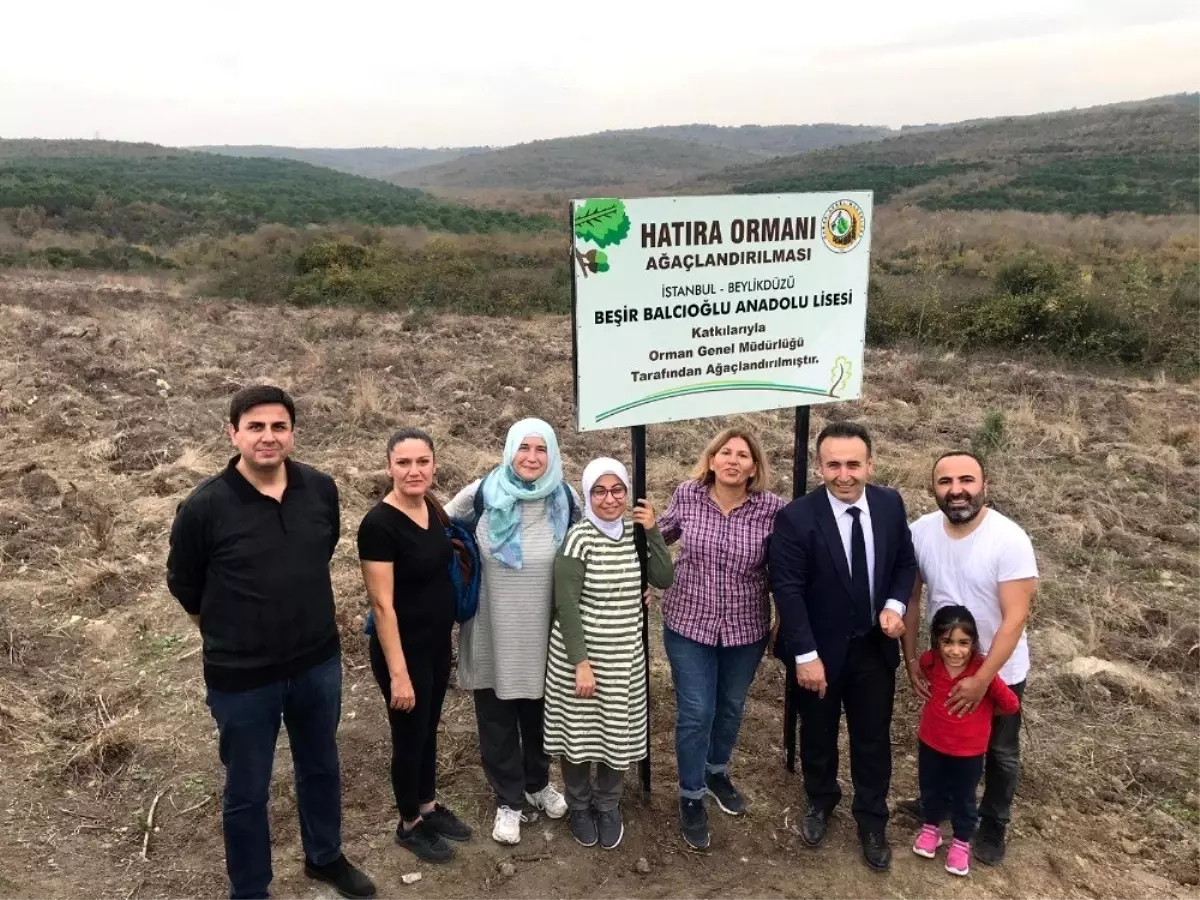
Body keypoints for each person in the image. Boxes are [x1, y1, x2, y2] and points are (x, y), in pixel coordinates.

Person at [166, 385, 375, 900]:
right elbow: (184, 584)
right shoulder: (204, 507)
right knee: (247, 789)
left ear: (293, 433)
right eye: (255, 426)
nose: (267, 437)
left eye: (278, 426)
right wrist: (227, 630)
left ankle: (325, 856)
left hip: (316, 662)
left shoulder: (320, 489)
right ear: (232, 432)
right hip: (242, 679)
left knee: (321, 764)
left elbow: (319, 551)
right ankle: (251, 888)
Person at [768, 420, 917, 871]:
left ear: (870, 464)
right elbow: (787, 589)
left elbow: (905, 562)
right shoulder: (796, 517)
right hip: (819, 653)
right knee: (817, 733)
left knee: (872, 739)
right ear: (819, 467)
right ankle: (820, 799)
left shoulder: (890, 505)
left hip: (874, 649)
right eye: (834, 465)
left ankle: (872, 819)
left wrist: (893, 605)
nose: (844, 474)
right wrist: (805, 656)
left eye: (853, 464)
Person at [444, 418, 580, 844]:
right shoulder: (481, 493)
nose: (532, 458)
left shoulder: (567, 498)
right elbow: (438, 528)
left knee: (541, 711)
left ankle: (537, 784)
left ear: (553, 454)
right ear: (509, 451)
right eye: (524, 448)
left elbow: (592, 549)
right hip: (491, 626)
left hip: (545, 628)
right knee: (497, 715)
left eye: (541, 449)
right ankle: (508, 799)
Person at [902, 450, 1038, 866]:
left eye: (966, 480)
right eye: (945, 482)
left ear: (984, 486)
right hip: (945, 667)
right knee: (942, 741)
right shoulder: (921, 531)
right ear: (934, 488)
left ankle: (993, 820)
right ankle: (937, 805)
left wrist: (983, 680)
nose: (956, 490)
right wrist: (910, 660)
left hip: (999, 670)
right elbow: (910, 596)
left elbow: (1016, 617)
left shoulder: (1008, 538)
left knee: (998, 750)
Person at [657, 427, 786, 851]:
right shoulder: (687, 495)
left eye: (742, 455)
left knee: (730, 707)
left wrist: (786, 619)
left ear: (754, 467)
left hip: (744, 629)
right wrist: (642, 573)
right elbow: (661, 540)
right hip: (688, 623)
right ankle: (691, 794)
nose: (732, 460)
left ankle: (716, 771)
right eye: (724, 453)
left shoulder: (773, 511)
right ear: (712, 460)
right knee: (696, 710)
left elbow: (787, 571)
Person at [543, 458, 674, 849]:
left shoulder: (635, 535)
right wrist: (580, 664)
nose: (609, 498)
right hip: (580, 657)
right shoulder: (578, 539)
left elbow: (663, 577)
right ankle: (580, 804)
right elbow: (566, 606)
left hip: (624, 657)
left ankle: (609, 803)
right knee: (577, 735)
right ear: (587, 495)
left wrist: (652, 530)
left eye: (617, 489)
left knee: (617, 735)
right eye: (599, 491)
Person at [357, 428, 472, 863]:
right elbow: (382, 607)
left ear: (434, 465)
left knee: (427, 731)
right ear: (389, 467)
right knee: (408, 737)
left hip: (435, 645)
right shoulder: (378, 525)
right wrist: (399, 673)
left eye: (422, 461)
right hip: (400, 653)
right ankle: (407, 825)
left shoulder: (431, 510)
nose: (413, 470)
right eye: (403, 463)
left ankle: (426, 807)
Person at [911, 605, 1020, 877]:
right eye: (947, 642)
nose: (955, 650)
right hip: (931, 743)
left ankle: (960, 842)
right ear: (937, 640)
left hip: (968, 752)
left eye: (963, 643)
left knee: (963, 797)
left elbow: (1010, 704)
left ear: (973, 643)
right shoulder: (930, 662)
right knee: (930, 789)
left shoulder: (982, 672)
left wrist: (982, 713)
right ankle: (931, 829)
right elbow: (923, 674)